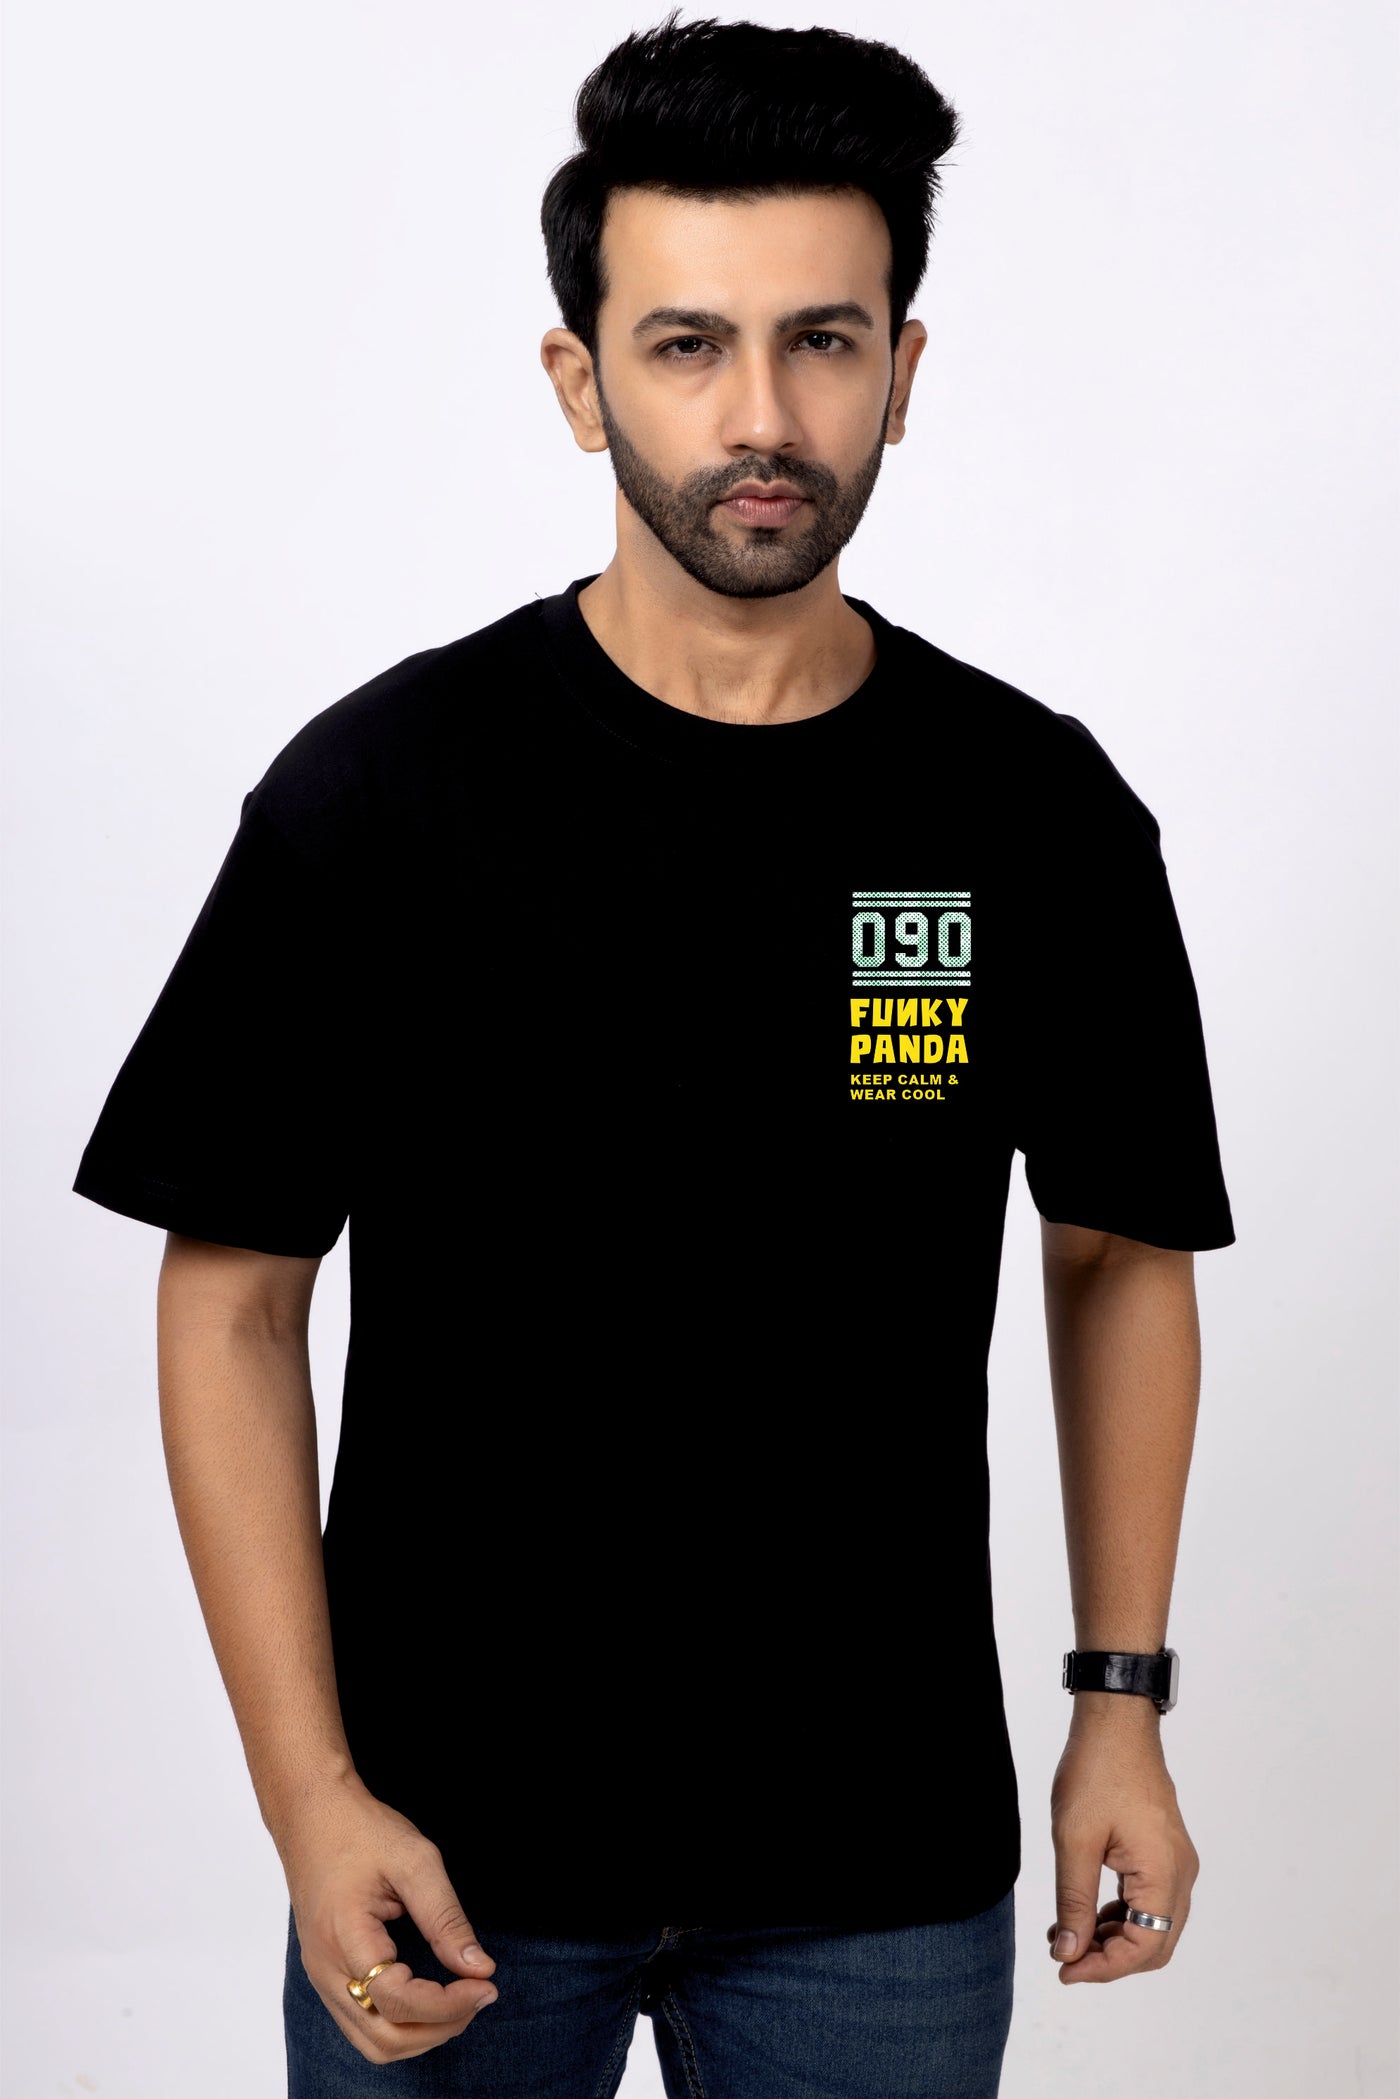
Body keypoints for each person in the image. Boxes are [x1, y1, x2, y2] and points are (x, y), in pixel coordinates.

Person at [71, 12, 1235, 2096]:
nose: (760, 416)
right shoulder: (382, 795)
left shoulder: (1032, 809)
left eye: (822, 341)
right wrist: (310, 1801)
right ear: (578, 377)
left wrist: (1120, 1703)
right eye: (687, 345)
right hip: (445, 1859)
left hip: (877, 1865)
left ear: (902, 370)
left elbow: (1120, 1247)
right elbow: (230, 1296)